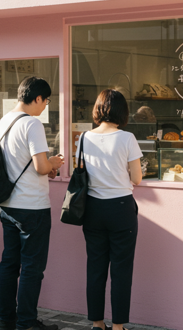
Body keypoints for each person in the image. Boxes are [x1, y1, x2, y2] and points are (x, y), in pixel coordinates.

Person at [0, 77, 64, 330]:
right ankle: (26, 323)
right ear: (36, 98)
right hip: (31, 208)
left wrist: (46, 167)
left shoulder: (3, 121)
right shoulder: (32, 124)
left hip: (7, 204)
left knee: (9, 263)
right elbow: (40, 166)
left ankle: (5, 320)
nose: (45, 106)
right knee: (32, 268)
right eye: (45, 101)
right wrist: (54, 163)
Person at [77, 90, 143, 330]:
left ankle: (97, 323)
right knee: (121, 269)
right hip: (121, 207)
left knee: (95, 266)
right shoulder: (127, 138)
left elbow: (82, 171)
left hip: (92, 208)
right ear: (122, 111)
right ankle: (117, 326)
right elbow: (136, 178)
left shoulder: (84, 138)